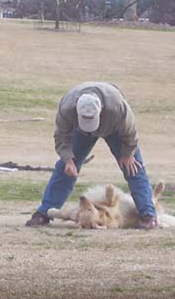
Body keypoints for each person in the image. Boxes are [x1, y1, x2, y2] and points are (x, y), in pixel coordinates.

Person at [25, 82, 159, 229]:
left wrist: (128, 154)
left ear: (101, 108)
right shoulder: (67, 106)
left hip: (114, 129)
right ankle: (44, 212)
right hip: (80, 133)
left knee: (133, 168)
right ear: (76, 107)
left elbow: (130, 131)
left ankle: (148, 216)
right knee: (64, 168)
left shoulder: (116, 106)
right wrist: (68, 160)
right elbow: (61, 137)